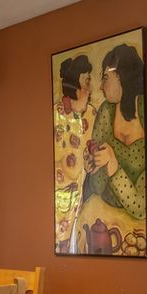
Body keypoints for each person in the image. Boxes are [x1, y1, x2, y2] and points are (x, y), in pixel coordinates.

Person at [76, 42, 146, 253]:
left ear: (123, 77)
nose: (100, 86)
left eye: (105, 77)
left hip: (138, 227)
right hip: (102, 212)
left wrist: (113, 164)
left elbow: (140, 207)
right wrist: (93, 167)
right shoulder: (106, 112)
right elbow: (96, 187)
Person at [53, 54, 94, 250]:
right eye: (87, 80)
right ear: (77, 87)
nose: (91, 88)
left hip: (83, 196)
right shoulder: (57, 115)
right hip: (61, 199)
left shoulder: (93, 114)